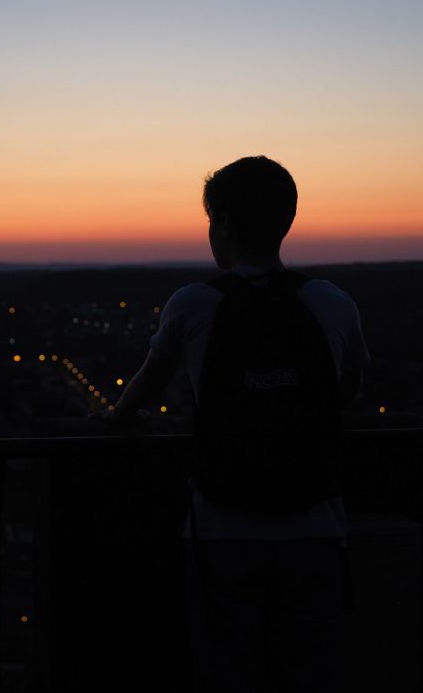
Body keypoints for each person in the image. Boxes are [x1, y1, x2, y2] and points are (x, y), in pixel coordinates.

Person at [107, 156, 369, 692]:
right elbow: (350, 386)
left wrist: (113, 418)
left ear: (222, 225)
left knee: (227, 668)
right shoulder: (330, 301)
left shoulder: (195, 304)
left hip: (222, 526)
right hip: (317, 525)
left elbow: (147, 383)